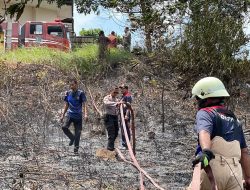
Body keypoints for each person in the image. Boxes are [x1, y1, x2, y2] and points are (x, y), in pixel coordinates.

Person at [190, 77, 250, 190]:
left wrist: (206, 151)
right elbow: (244, 152)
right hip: (235, 172)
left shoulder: (205, 113)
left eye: (198, 98)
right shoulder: (235, 119)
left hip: (214, 167)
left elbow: (204, 132)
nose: (197, 101)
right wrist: (248, 177)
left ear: (205, 97)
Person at [60, 79, 88, 154]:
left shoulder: (81, 93)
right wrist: (62, 114)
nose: (71, 86)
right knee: (64, 127)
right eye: (70, 85)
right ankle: (72, 138)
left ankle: (76, 151)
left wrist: (85, 114)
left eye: (72, 84)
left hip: (78, 116)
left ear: (76, 84)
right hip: (70, 114)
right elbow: (66, 105)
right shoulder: (68, 93)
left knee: (78, 134)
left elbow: (85, 104)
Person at [119, 85, 132, 149]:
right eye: (121, 89)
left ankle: (126, 144)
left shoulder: (128, 96)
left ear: (126, 89)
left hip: (125, 115)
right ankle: (124, 144)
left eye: (123, 89)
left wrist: (127, 115)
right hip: (121, 114)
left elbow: (129, 106)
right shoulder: (123, 96)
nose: (121, 90)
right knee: (122, 128)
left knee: (125, 129)